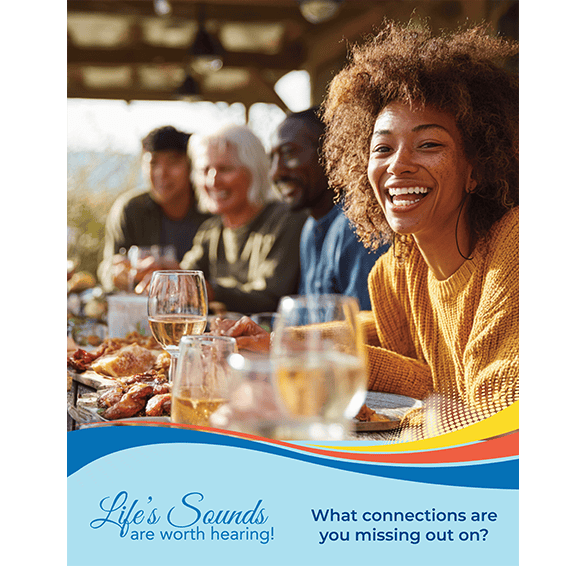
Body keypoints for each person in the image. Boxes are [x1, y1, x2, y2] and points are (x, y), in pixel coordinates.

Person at [216, 22, 519, 432]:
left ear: (477, 167)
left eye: (429, 144)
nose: (398, 164)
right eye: (383, 148)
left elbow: (500, 420)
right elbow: (419, 371)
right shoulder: (399, 269)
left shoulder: (514, 248)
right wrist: (281, 344)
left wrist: (407, 416)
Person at [179, 123, 308, 315]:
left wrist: (210, 292)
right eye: (205, 170)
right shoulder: (210, 230)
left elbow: (270, 299)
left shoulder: (286, 220)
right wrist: (167, 274)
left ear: (254, 171)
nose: (213, 181)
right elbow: (185, 281)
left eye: (225, 169)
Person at [270, 108, 387, 311]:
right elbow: (310, 321)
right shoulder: (311, 228)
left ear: (332, 153)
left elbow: (364, 326)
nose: (276, 172)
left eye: (288, 153)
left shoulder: (357, 225)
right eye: (271, 158)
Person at [98, 126, 211, 292]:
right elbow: (107, 266)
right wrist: (116, 274)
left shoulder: (211, 209)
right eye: (153, 163)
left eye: (173, 162)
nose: (161, 173)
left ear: (191, 165)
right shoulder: (130, 209)